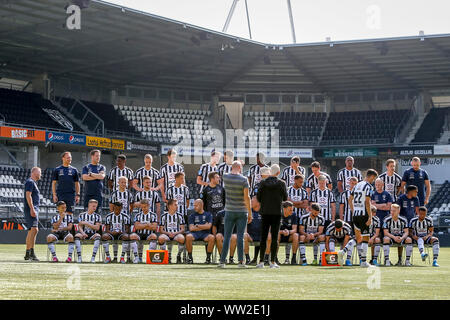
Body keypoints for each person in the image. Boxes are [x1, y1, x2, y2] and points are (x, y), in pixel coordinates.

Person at [218, 161, 252, 268]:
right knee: (240, 237)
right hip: (242, 211)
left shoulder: (226, 177)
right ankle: (241, 262)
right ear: (240, 168)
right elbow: (247, 198)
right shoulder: (244, 179)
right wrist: (250, 212)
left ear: (232, 167)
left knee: (227, 236)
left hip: (229, 210)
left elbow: (221, 171)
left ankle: (222, 261)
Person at [256, 164, 288, 269]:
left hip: (265, 212)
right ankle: (273, 262)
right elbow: (285, 198)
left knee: (263, 237)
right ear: (278, 173)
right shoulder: (282, 183)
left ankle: (261, 261)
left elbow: (259, 197)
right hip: (277, 213)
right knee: (274, 238)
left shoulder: (263, 182)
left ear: (270, 172)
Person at [349, 169, 378, 267]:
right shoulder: (368, 186)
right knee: (365, 238)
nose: (373, 181)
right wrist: (370, 217)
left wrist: (353, 210)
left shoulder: (357, 185)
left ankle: (344, 251)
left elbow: (350, 199)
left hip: (356, 214)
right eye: (373, 179)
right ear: (370, 176)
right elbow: (367, 202)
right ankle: (363, 262)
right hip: (364, 214)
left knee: (358, 238)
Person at [186, 199, 215, 264]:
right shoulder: (192, 215)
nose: (194, 207)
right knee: (188, 237)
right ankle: (190, 258)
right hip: (195, 234)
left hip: (205, 234)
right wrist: (203, 226)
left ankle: (208, 258)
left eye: (196, 206)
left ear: (201, 205)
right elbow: (191, 228)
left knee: (212, 238)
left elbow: (209, 226)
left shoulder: (208, 215)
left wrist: (197, 225)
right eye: (194, 205)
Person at [129, 199, 158, 263]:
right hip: (139, 234)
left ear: (148, 206)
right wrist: (147, 225)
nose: (143, 208)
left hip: (149, 234)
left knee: (154, 236)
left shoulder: (153, 215)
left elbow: (154, 227)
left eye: (144, 207)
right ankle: (137, 258)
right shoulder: (138, 215)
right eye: (142, 207)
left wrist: (141, 225)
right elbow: (136, 227)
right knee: (132, 236)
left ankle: (150, 258)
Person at [244, 197, 271, 265]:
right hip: (251, 236)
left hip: (262, 236)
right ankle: (247, 258)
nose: (250, 203)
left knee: (269, 236)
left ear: (258, 203)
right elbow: (244, 225)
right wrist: (246, 232)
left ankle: (266, 259)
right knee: (244, 235)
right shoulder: (248, 212)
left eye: (252, 202)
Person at [74, 199, 102, 263]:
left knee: (98, 236)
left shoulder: (98, 216)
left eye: (96, 206)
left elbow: (97, 228)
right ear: (89, 205)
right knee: (76, 236)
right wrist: (83, 233)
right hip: (83, 234)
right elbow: (80, 226)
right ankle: (79, 258)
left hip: (93, 234)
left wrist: (87, 223)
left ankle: (93, 258)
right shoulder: (81, 215)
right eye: (93, 206)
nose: (95, 208)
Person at [158, 199, 186, 263]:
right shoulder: (164, 216)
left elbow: (182, 229)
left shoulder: (180, 216)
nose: (177, 206)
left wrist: (175, 233)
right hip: (166, 234)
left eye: (177, 205)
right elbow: (161, 230)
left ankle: (178, 255)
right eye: (175, 205)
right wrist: (168, 233)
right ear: (169, 206)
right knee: (161, 238)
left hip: (176, 234)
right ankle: (166, 256)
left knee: (181, 238)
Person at [24, 167, 41, 261]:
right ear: (34, 172)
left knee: (31, 230)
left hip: (32, 208)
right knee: (34, 230)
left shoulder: (32, 182)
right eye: (40, 172)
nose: (40, 174)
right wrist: (32, 209)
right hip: (32, 209)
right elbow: (28, 195)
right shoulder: (30, 182)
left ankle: (27, 253)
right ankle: (31, 253)